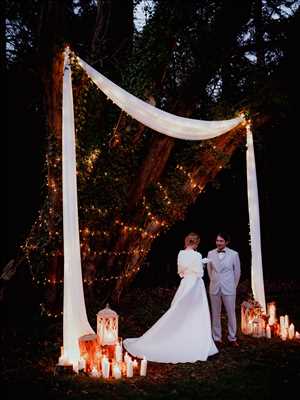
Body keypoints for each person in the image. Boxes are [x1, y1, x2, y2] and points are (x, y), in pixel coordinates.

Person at [123, 233, 218, 363]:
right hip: (195, 285)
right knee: (196, 311)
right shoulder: (197, 255)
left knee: (180, 309)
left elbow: (181, 272)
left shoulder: (181, 253)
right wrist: (201, 263)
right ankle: (195, 338)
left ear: (186, 242)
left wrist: (194, 266)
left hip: (185, 284)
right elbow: (200, 273)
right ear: (196, 243)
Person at [207, 232, 241, 347]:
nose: (218, 243)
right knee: (215, 313)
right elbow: (209, 270)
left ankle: (232, 338)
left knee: (231, 313)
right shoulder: (210, 253)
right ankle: (217, 338)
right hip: (214, 287)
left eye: (221, 241)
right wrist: (214, 281)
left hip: (229, 288)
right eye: (217, 240)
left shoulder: (234, 254)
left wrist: (233, 285)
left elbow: (237, 272)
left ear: (226, 242)